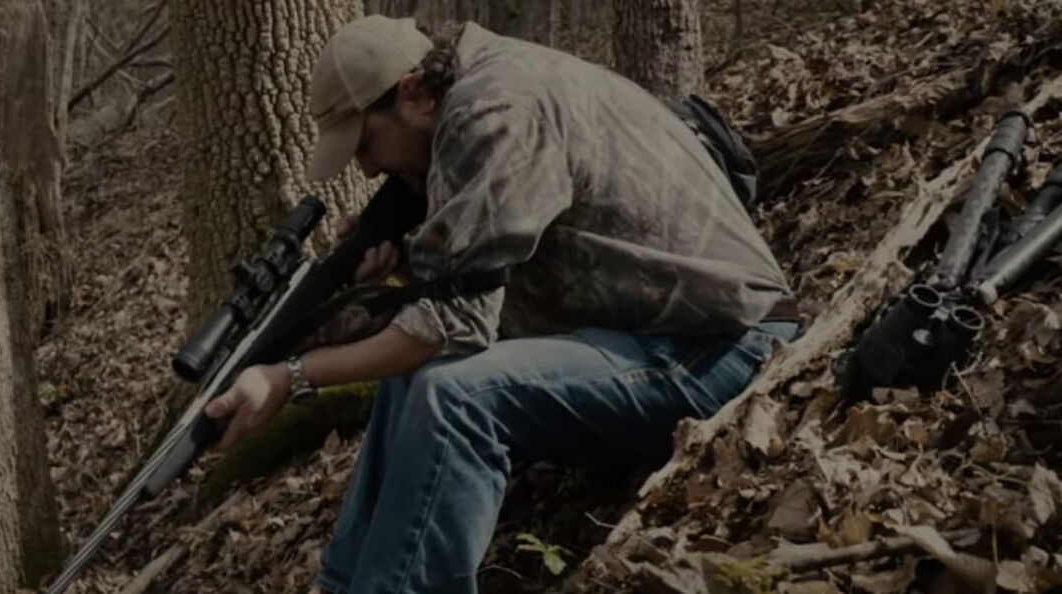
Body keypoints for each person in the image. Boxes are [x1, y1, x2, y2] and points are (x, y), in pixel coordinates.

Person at [196, 15, 801, 594]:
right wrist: (401, 263)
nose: (367, 165)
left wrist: (290, 377)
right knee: (416, 374)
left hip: (719, 348)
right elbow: (490, 271)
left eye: (365, 143)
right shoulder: (484, 81)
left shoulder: (491, 109)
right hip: (657, 332)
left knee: (455, 397)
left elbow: (453, 323)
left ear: (412, 93)